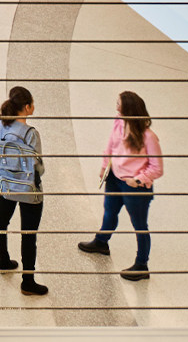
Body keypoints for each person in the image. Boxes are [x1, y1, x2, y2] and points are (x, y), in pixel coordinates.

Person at [77, 90, 164, 281]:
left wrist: (138, 179)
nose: (116, 106)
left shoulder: (148, 136)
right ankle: (101, 242)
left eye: (119, 103)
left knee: (139, 225)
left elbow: (157, 168)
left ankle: (142, 265)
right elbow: (111, 146)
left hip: (134, 186)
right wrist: (104, 166)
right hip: (114, 179)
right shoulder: (119, 122)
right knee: (109, 212)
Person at [0, 86, 49, 297]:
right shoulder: (31, 134)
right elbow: (39, 166)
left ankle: (4, 260)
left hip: (5, 185)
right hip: (28, 189)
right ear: (26, 107)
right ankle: (28, 281)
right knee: (28, 234)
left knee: (2, 219)